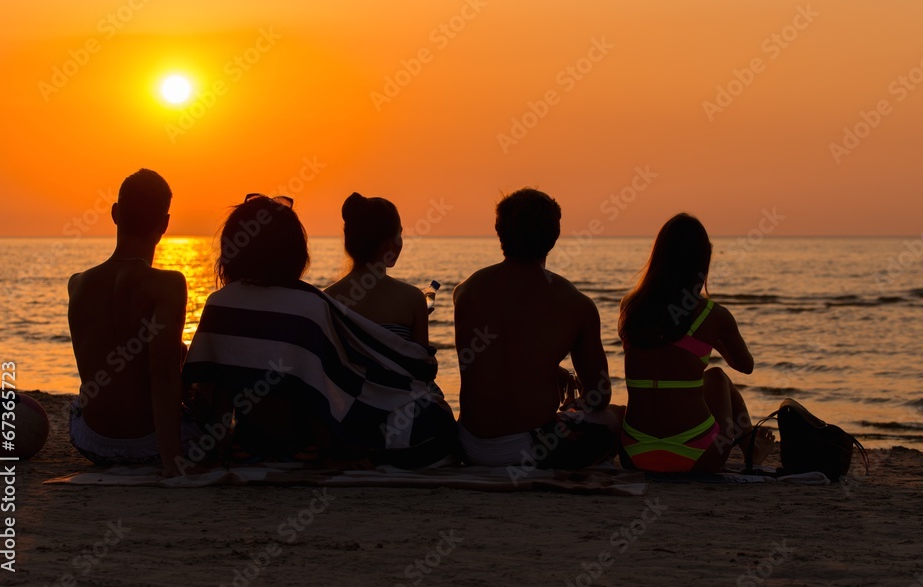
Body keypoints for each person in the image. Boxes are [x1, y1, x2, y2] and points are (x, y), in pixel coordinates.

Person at [183, 193, 457, 468]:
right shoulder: (308, 305)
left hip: (247, 443)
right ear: (294, 250)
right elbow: (324, 383)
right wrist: (327, 446)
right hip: (302, 446)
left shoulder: (218, 304)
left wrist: (221, 446)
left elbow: (211, 383)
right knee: (437, 422)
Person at [454, 188, 618, 470]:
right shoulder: (576, 304)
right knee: (614, 421)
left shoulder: (466, 291)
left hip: (469, 445)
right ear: (554, 237)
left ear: (498, 230)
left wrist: (547, 370)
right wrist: (570, 404)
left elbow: (496, 353)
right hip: (532, 449)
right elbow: (599, 395)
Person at [617, 213, 774, 473]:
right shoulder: (714, 315)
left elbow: (661, 353)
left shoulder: (631, 307)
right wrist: (714, 339)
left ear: (658, 256)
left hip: (634, 453)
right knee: (718, 376)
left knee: (680, 385)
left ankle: (749, 450)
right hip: (699, 455)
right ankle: (752, 452)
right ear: (702, 261)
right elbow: (745, 366)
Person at [67, 169, 189, 477]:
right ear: (164, 224)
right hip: (148, 444)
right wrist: (173, 461)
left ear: (115, 214)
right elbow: (162, 375)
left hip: (92, 441)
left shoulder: (78, 283)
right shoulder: (168, 284)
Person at [325, 193, 429, 345]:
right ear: (390, 244)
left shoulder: (327, 299)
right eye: (399, 234)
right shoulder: (412, 299)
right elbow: (423, 366)